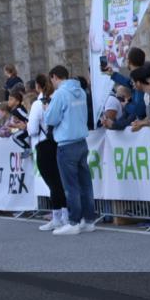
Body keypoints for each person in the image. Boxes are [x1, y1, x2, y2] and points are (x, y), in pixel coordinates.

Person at [44, 66, 98, 235]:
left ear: (54, 77)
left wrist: (46, 110)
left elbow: (50, 119)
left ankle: (73, 222)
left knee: (71, 186)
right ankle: (88, 220)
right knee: (85, 184)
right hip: (81, 141)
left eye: (51, 80)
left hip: (66, 143)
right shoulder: (80, 91)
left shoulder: (60, 94)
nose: (52, 83)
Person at [28, 75, 68, 230]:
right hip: (58, 142)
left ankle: (59, 218)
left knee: (53, 183)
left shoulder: (38, 104)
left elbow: (32, 129)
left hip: (44, 145)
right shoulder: (58, 100)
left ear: (38, 86)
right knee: (60, 181)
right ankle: (63, 216)